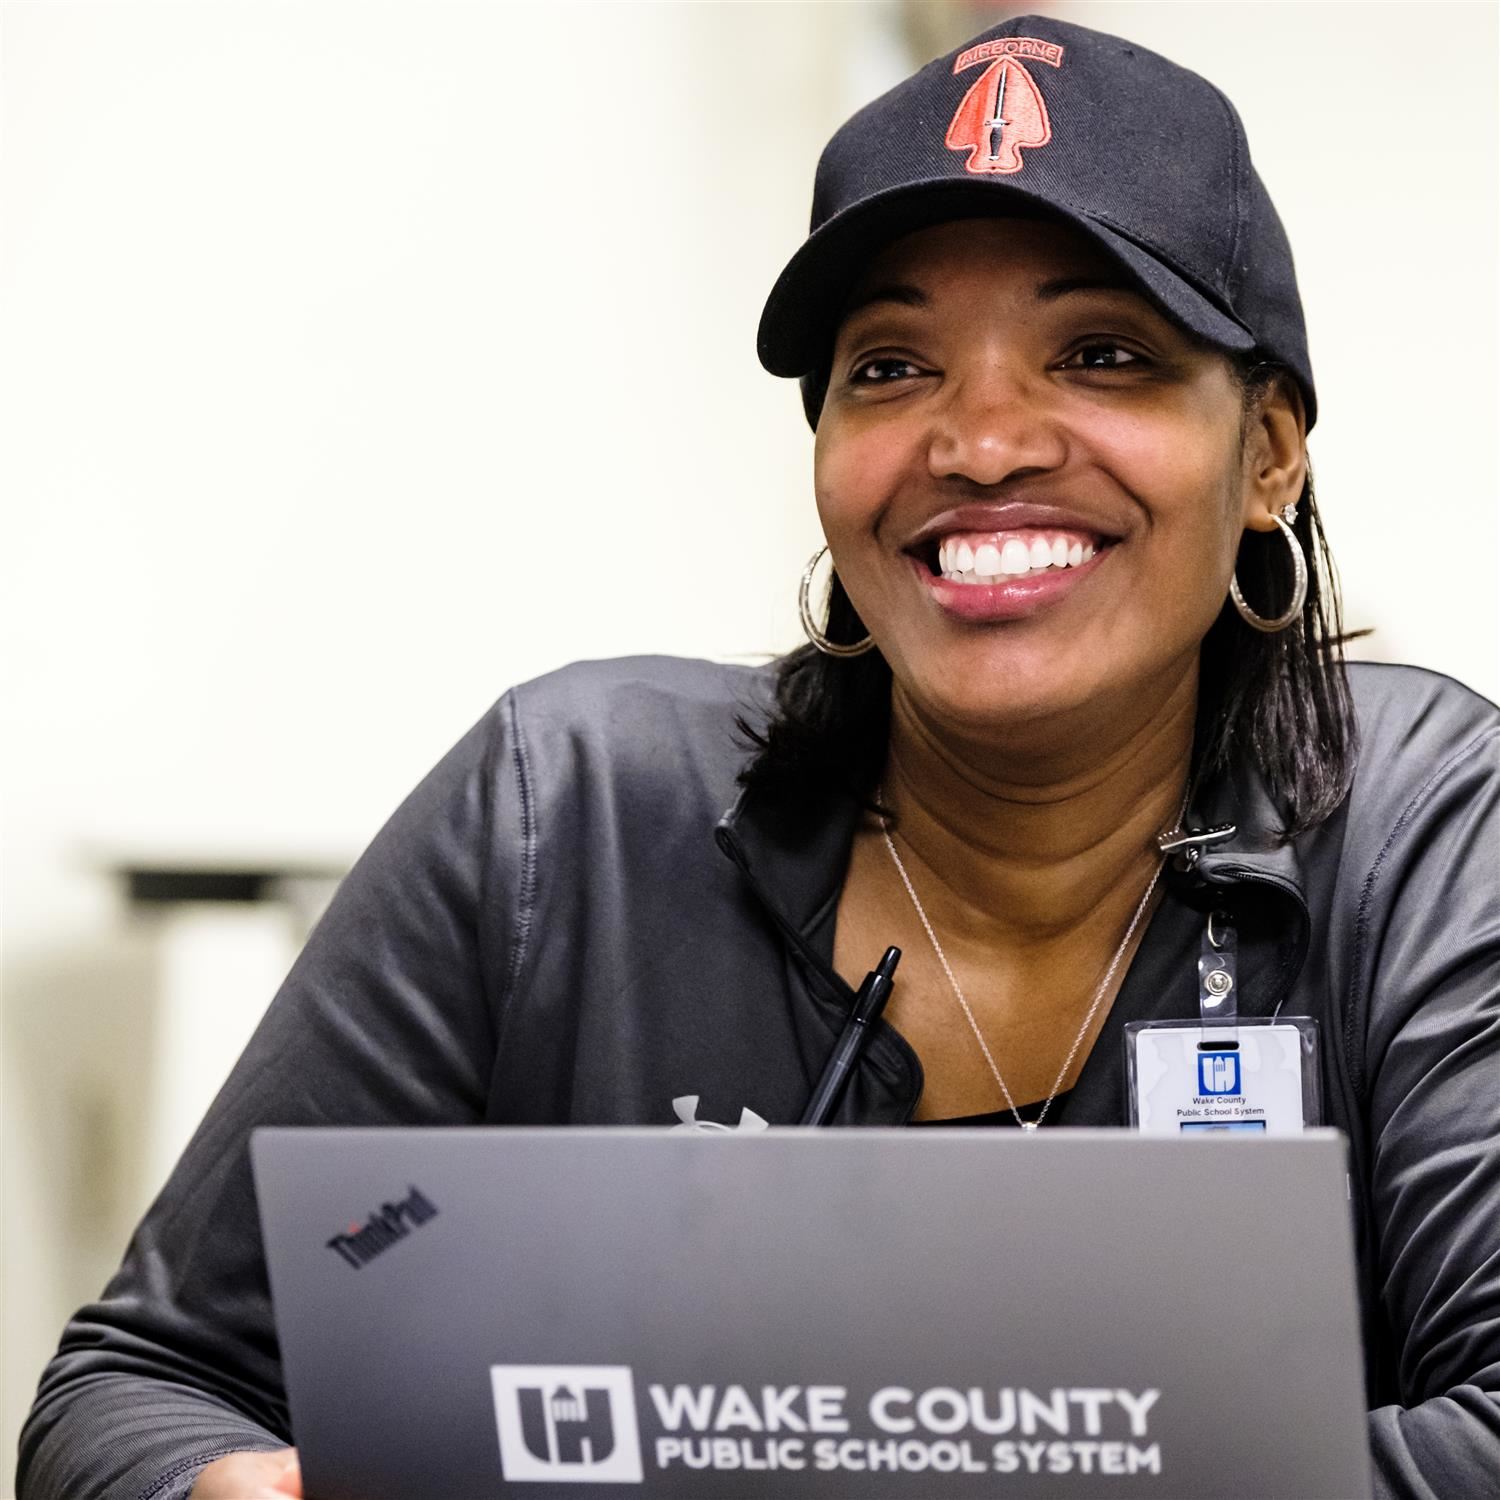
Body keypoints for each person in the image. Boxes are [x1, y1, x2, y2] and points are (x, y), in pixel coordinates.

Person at [16, 14, 1498, 1500]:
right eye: (891, 365)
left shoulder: (1420, 833)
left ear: (1269, 454)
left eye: (1101, 354)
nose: (980, 444)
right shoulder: (566, 819)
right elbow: (137, 1391)